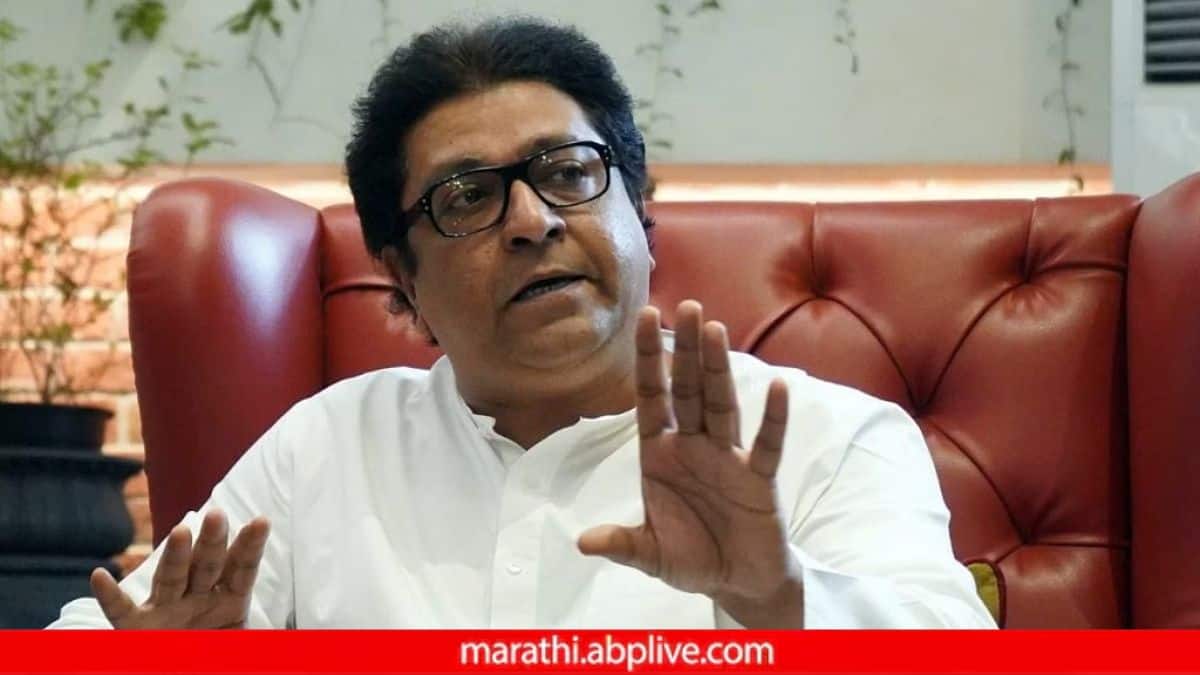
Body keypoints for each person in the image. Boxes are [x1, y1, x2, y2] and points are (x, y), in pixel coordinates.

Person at [49, 17, 994, 629]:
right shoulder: (329, 446)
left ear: (638, 213)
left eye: (569, 172)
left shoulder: (827, 438)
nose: (533, 221)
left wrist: (778, 598)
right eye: (467, 196)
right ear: (401, 277)